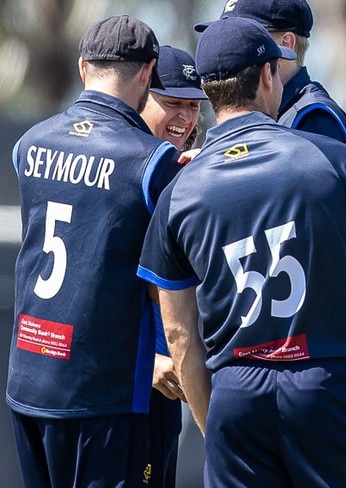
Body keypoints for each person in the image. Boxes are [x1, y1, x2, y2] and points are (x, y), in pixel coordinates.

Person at [136, 16, 346, 488]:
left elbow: (179, 333)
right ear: (268, 76)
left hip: (238, 389)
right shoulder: (335, 161)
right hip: (330, 380)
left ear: (209, 92)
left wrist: (217, 418)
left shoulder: (180, 189)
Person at [7, 15, 183, 487]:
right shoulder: (151, 162)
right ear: (148, 73)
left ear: (84, 68)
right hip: (103, 396)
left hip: (29, 382)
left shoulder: (30, 143)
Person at [139, 44, 207, 488]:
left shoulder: (182, 169)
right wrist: (144, 361)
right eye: (172, 103)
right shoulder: (131, 168)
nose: (184, 117)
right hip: (133, 379)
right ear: (141, 92)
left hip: (171, 376)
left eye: (193, 105)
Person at [194, 0, 346, 150]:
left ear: (286, 44)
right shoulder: (280, 109)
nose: (232, 41)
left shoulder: (312, 117)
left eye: (250, 34)